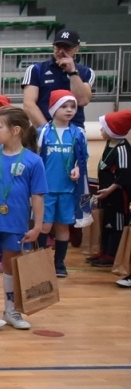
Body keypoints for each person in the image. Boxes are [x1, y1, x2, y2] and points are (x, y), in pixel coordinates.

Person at [0, 107, 48, 331]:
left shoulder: (33, 161)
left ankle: (11, 310)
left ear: (15, 130)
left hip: (15, 223)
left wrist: (38, 226)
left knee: (11, 266)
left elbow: (38, 196)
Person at [37, 91, 89, 279]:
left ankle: (59, 263)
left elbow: (82, 158)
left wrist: (77, 168)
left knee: (62, 226)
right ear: (53, 109)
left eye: (72, 107)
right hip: (46, 189)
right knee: (44, 225)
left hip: (68, 189)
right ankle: (40, 261)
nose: (69, 110)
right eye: (64, 106)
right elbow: (35, 158)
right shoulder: (43, 132)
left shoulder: (78, 133)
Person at [22, 29, 93, 130]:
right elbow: (29, 105)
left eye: (67, 47)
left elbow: (82, 100)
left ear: (77, 48)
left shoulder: (86, 72)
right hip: (44, 129)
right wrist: (48, 131)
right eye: (58, 47)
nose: (61, 52)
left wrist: (72, 72)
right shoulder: (36, 69)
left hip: (74, 132)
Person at [91, 111, 131, 272]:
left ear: (113, 130)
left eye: (103, 128)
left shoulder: (122, 149)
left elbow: (125, 174)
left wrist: (110, 189)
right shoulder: (110, 144)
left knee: (116, 224)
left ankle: (112, 254)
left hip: (117, 196)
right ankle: (104, 251)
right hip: (106, 193)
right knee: (106, 223)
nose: (101, 131)